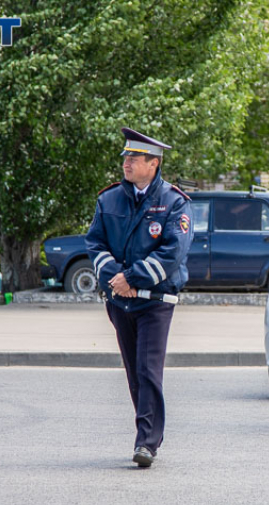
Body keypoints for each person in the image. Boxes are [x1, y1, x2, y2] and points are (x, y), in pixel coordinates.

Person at [85, 128, 193, 467]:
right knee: (134, 373)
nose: (126, 163)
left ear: (154, 163)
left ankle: (146, 442)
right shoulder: (110, 199)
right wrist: (117, 281)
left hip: (155, 301)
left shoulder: (175, 202)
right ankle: (147, 433)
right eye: (125, 157)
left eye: (134, 158)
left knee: (148, 371)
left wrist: (131, 277)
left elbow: (173, 253)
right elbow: (95, 244)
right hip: (120, 301)